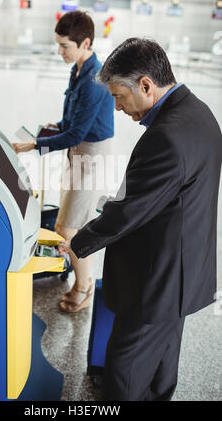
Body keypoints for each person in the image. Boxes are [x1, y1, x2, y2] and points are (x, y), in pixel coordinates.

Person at [59, 37, 222, 400]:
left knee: (125, 370)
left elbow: (131, 209)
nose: (117, 108)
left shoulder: (166, 137)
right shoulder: (199, 113)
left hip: (156, 280)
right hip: (181, 271)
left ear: (146, 85)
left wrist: (79, 241)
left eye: (119, 96)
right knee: (162, 364)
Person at [13, 11, 114, 312]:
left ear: (85, 43)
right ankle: (84, 283)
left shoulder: (95, 79)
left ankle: (83, 288)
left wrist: (35, 145)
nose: (60, 52)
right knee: (74, 225)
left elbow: (76, 134)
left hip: (90, 155)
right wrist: (57, 125)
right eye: (58, 45)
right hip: (79, 150)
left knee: (68, 229)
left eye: (65, 46)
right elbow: (72, 122)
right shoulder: (79, 69)